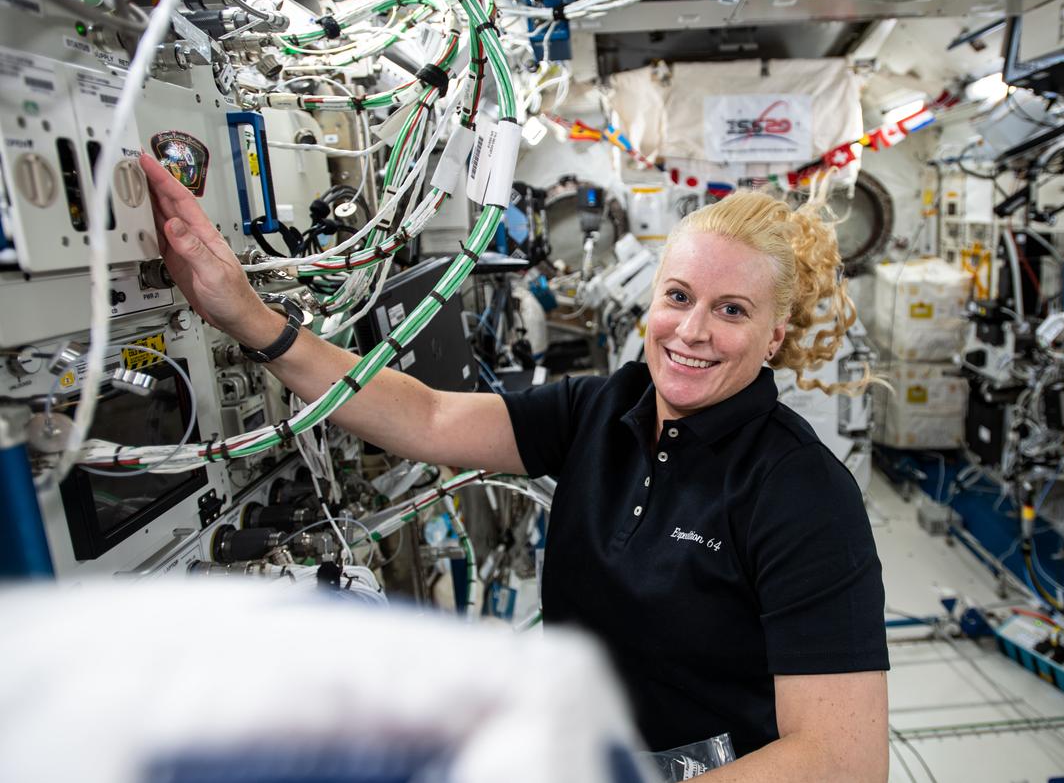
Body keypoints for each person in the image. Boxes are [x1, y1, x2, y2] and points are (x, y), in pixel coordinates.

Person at [141, 154, 890, 781]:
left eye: (732, 310)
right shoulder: (602, 410)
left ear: (773, 337)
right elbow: (428, 417)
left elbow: (841, 759)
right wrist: (248, 318)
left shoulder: (801, 492)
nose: (691, 331)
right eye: (679, 296)